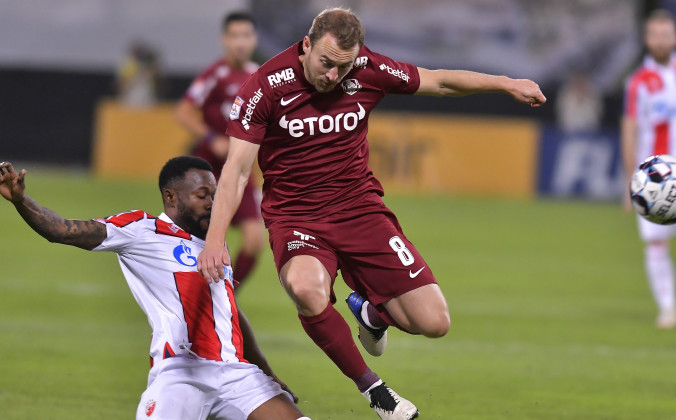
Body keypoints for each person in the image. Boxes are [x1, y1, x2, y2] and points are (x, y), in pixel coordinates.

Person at [197, 8, 546, 420]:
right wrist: (216, 239)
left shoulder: (365, 69)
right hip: (298, 219)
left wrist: (506, 84)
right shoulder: (265, 88)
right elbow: (236, 171)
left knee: (434, 322)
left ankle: (371, 311)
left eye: (342, 67)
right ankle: (375, 391)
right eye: (326, 63)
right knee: (305, 288)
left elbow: (438, 80)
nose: (332, 76)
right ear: (307, 45)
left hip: (361, 211)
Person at [0, 158, 309, 420]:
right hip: (179, 372)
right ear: (171, 197)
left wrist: (267, 372)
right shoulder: (141, 230)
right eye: (202, 196)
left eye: (214, 195)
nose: (212, 204)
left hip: (236, 374)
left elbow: (229, 312)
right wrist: (21, 200)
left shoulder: (214, 243)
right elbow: (62, 230)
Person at [622, 9, 676, 329]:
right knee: (656, 242)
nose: (660, 40)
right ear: (647, 39)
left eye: (665, 34)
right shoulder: (639, 81)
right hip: (652, 177)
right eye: (654, 34)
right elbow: (629, 128)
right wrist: (630, 180)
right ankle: (667, 307)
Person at [175, 12, 265, 288]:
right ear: (224, 40)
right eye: (234, 36)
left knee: (254, 240)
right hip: (208, 172)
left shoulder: (258, 76)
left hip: (240, 171)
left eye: (246, 36)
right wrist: (212, 135)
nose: (240, 42)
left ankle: (225, 298)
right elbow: (184, 112)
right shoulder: (214, 74)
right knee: (195, 241)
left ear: (254, 40)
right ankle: (184, 296)